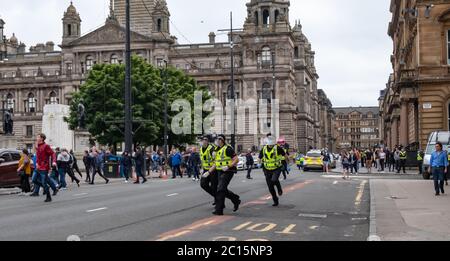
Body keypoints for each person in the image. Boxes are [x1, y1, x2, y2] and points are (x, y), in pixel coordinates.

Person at [206, 134, 241, 216]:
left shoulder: (228, 149)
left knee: (220, 188)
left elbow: (236, 159)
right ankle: (235, 199)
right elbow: (216, 163)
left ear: (222, 140)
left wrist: (228, 166)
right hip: (219, 171)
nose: (217, 141)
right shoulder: (216, 150)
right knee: (223, 189)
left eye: (218, 139)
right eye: (216, 139)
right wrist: (209, 172)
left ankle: (219, 210)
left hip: (228, 171)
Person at [259, 136, 286, 207]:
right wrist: (260, 162)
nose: (270, 144)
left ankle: (279, 189)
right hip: (267, 169)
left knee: (274, 180)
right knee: (270, 187)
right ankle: (275, 200)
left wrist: (286, 163)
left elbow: (285, 155)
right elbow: (260, 157)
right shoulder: (264, 149)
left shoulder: (278, 148)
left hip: (276, 168)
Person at [35, 133, 57, 202]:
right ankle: (53, 188)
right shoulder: (38, 146)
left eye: (38, 137)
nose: (36, 138)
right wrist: (36, 163)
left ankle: (48, 197)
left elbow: (53, 153)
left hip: (44, 167)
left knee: (44, 182)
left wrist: (54, 161)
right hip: (38, 166)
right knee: (34, 180)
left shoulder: (46, 146)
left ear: (42, 138)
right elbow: (38, 157)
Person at [200, 135, 218, 205]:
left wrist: (209, 171)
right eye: (202, 140)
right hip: (205, 169)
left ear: (207, 141)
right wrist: (201, 168)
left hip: (213, 170)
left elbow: (216, 162)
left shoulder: (212, 149)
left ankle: (218, 200)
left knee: (214, 186)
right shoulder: (201, 148)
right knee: (203, 184)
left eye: (205, 140)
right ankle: (216, 196)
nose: (204, 141)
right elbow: (202, 159)